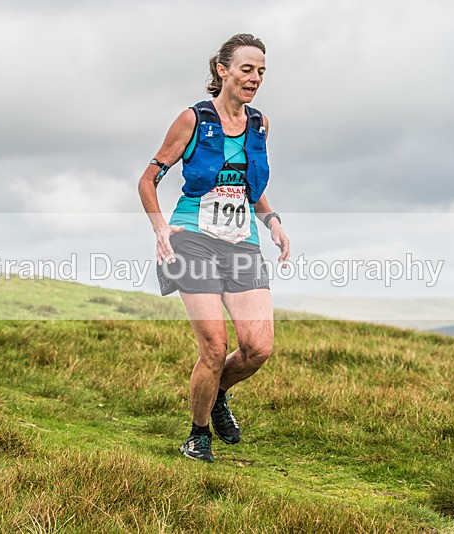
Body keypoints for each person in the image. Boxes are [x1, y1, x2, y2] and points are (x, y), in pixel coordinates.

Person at [138, 33, 290, 463]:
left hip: (242, 243)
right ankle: (197, 433)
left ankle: (217, 393)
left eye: (261, 71)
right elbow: (148, 179)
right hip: (192, 239)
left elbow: (248, 186)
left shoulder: (260, 124)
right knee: (214, 346)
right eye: (246, 69)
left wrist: (273, 221)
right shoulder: (193, 119)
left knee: (258, 347)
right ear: (222, 70)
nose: (255, 78)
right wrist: (160, 229)